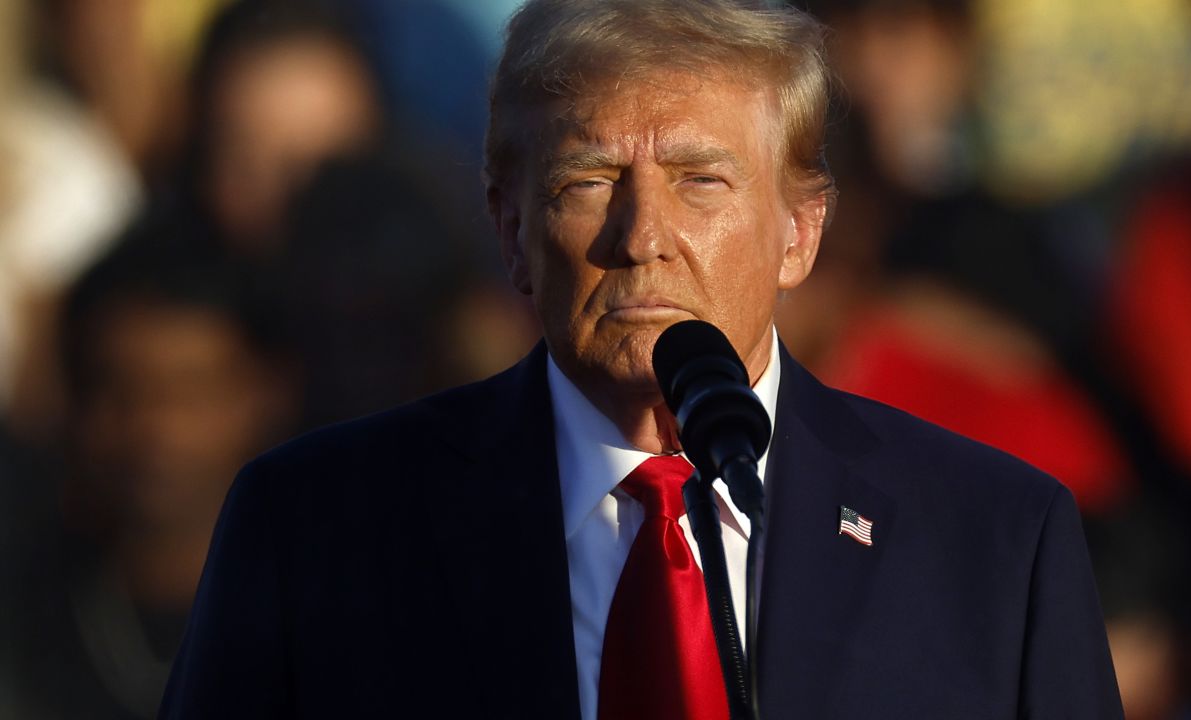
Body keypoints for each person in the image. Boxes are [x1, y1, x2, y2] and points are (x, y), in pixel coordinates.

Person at [160, 1, 1122, 718]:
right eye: (590, 180)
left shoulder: (994, 542)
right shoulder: (315, 531)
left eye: (701, 180)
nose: (642, 234)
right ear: (510, 227)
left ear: (801, 231)